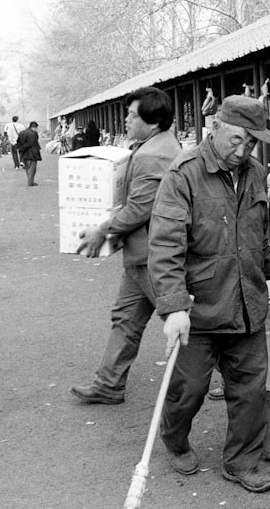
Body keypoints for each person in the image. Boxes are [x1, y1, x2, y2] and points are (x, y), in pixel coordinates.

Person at [147, 95, 270, 493]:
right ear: (214, 127)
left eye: (251, 143)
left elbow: (256, 239)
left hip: (247, 305)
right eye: (236, 139)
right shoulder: (183, 176)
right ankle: (174, 438)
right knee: (189, 390)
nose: (242, 150)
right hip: (199, 309)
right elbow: (164, 248)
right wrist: (174, 307)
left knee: (249, 388)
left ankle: (241, 461)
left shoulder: (255, 174)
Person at [70, 87, 182, 405]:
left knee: (184, 322)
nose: (126, 120)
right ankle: (108, 383)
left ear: (153, 121)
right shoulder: (157, 145)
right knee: (126, 319)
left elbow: (139, 208)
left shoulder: (152, 155)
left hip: (153, 257)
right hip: (140, 255)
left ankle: (226, 378)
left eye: (132, 115)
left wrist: (102, 231)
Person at [16, 121, 42, 186]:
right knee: (32, 168)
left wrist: (21, 148)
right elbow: (31, 143)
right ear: (34, 127)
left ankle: (30, 180)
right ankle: (30, 182)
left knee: (27, 168)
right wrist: (24, 147)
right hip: (32, 152)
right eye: (36, 128)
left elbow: (18, 142)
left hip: (24, 153)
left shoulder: (21, 133)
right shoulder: (34, 133)